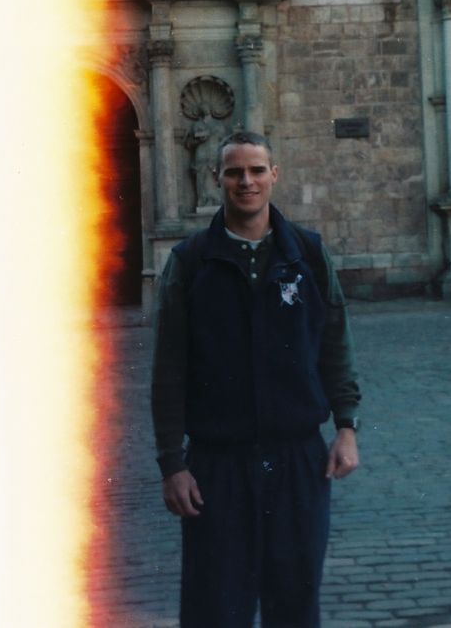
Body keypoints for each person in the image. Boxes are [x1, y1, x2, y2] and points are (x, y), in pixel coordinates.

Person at [151, 130, 361, 627]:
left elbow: (334, 342)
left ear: (274, 175)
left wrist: (346, 425)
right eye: (234, 172)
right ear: (217, 178)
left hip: (297, 461)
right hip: (217, 467)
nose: (246, 181)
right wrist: (171, 464)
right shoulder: (191, 262)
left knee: (295, 605)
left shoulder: (307, 255)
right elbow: (168, 370)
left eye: (256, 170)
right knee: (215, 609)